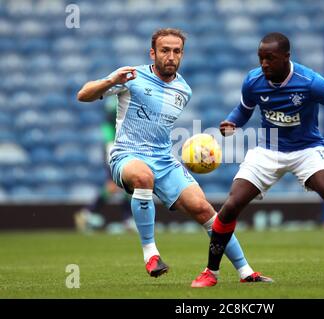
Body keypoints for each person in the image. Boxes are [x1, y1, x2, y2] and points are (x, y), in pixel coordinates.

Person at [77, 28, 271, 282]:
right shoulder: (131, 77)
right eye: (165, 50)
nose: (171, 56)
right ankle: (151, 255)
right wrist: (111, 80)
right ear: (153, 53)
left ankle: (246, 272)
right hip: (126, 154)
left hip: (164, 160)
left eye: (176, 51)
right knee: (143, 176)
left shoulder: (184, 91)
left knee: (203, 209)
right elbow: (83, 95)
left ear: (182, 54)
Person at [191, 32, 324, 288]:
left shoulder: (310, 82)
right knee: (232, 204)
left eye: (270, 58)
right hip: (268, 150)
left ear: (286, 57)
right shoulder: (253, 81)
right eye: (260, 58)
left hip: (307, 149)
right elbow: (243, 111)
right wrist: (232, 122)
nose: (264, 63)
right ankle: (211, 272)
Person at [74, 95, 134, 233]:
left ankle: (127, 219)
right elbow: (109, 143)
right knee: (114, 185)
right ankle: (88, 213)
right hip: (113, 150)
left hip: (118, 148)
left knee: (127, 184)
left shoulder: (117, 119)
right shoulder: (110, 125)